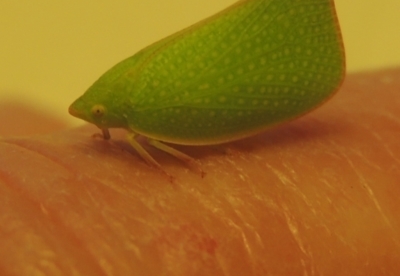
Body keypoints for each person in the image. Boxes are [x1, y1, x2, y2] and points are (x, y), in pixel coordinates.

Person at [1, 68, 399, 275]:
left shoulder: (136, 127)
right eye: (96, 117)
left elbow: (146, 140)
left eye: (98, 115)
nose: (93, 120)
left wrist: (184, 162)